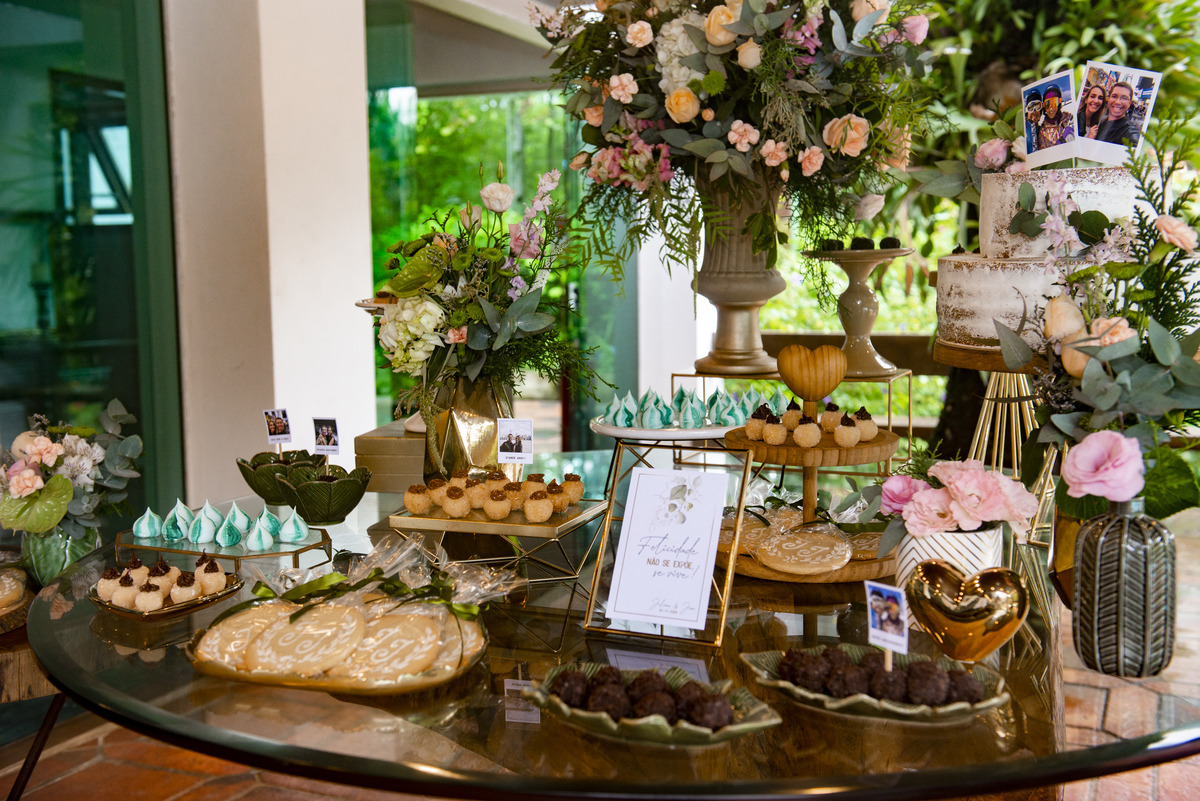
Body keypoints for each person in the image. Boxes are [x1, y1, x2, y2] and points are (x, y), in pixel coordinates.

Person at [1097, 82, 1139, 147]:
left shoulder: (1130, 132)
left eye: (1124, 98)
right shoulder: (1104, 121)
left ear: (1129, 103)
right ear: (1109, 98)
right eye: (1114, 96)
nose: (1117, 102)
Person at [1036, 84, 1074, 151]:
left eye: (1054, 103)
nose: (1051, 109)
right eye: (1047, 104)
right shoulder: (1043, 132)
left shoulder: (1069, 119)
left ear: (1059, 103)